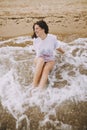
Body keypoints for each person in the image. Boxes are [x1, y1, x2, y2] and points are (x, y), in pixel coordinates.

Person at [32, 20, 65, 89]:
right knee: (41, 60)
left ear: (43, 29)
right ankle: (33, 87)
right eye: (34, 29)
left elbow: (57, 47)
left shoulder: (52, 38)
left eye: (37, 28)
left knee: (46, 69)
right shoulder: (36, 39)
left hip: (50, 60)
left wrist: (65, 53)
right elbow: (36, 51)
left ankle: (40, 90)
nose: (35, 31)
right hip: (39, 59)